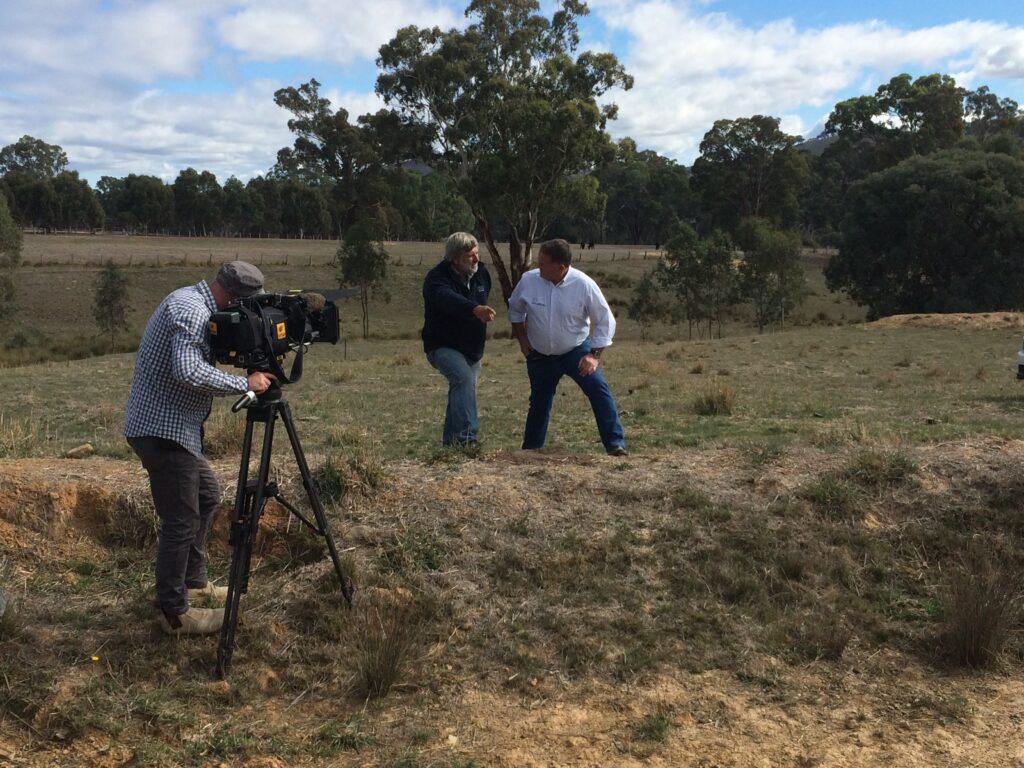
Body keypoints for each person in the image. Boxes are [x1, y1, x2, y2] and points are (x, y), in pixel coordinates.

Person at [124, 261, 275, 636]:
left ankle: (192, 580)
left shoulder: (198, 302)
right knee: (181, 520)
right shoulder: (191, 311)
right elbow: (187, 370)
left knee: (206, 495)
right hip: (162, 431)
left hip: (175, 429)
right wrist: (245, 384)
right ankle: (175, 612)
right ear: (233, 296)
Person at [508, 238, 627, 456]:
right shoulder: (528, 280)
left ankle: (615, 444)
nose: (538, 266)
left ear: (560, 267)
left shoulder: (583, 284)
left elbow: (605, 320)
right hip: (539, 355)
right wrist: (523, 343)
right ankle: (532, 449)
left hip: (576, 351)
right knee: (539, 401)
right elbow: (515, 311)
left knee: (598, 390)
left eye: (543, 263)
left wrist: (594, 355)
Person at [421, 232, 496, 446]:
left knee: (462, 390)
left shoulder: (482, 274)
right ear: (455, 259)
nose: (476, 259)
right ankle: (467, 439)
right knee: (462, 379)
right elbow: (447, 299)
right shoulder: (436, 278)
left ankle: (451, 446)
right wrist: (474, 309)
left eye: (477, 253)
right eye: (470, 256)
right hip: (442, 345)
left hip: (472, 348)